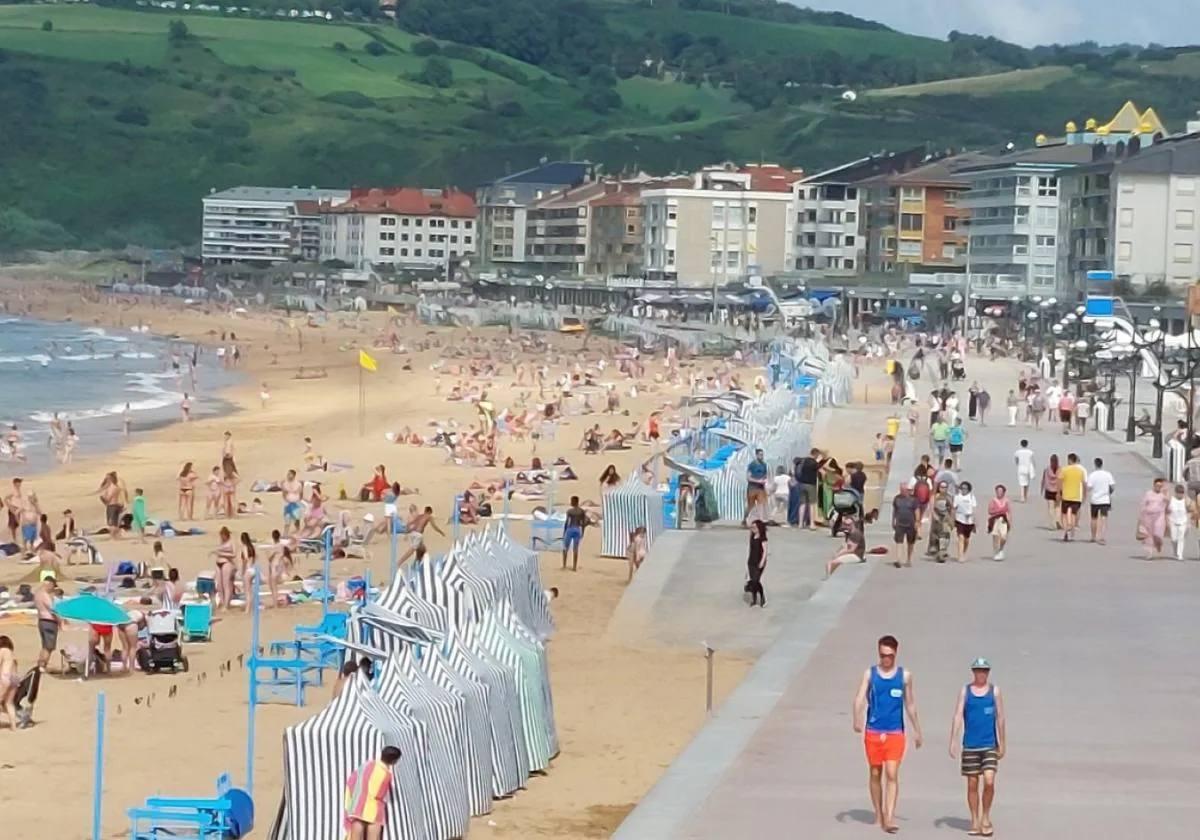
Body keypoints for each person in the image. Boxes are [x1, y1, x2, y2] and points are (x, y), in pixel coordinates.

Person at [852, 634, 923, 834]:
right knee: (875, 772)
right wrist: (856, 717)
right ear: (879, 653)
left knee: (892, 773)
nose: (886, 659)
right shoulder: (870, 674)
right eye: (883, 655)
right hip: (873, 731)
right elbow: (859, 697)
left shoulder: (904, 676)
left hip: (895, 732)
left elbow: (910, 704)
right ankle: (878, 813)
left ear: (895, 654)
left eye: (889, 656)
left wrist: (917, 729)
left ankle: (890, 816)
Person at [949, 658, 1006, 838]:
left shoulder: (994, 691)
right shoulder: (965, 692)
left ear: (988, 673)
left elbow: (1001, 718)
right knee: (972, 783)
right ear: (973, 672)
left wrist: (1002, 742)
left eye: (984, 671)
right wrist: (953, 740)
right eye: (978, 670)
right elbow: (958, 715)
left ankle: (986, 817)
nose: (981, 673)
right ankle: (974, 819)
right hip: (970, 745)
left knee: (989, 781)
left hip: (989, 744)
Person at [344, 746, 403, 840]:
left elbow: (351, 782)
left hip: (358, 808)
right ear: (394, 761)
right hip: (374, 811)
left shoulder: (366, 766)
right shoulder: (386, 775)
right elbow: (381, 794)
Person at [1137, 478, 1168, 560]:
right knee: (1148, 536)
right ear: (1154, 486)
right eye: (1157, 485)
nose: (1158, 487)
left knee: (1157, 534)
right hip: (1148, 516)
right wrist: (1141, 518)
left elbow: (1169, 506)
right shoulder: (1148, 494)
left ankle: (1159, 544)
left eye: (1160, 486)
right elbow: (1143, 505)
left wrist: (1166, 494)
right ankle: (1149, 553)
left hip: (1159, 516)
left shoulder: (1163, 495)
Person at [34, 573, 59, 672]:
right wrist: (61, 622)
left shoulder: (37, 594)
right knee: (49, 646)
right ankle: (42, 666)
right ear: (50, 584)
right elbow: (53, 609)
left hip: (41, 621)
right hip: (49, 621)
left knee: (45, 645)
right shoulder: (44, 595)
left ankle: (40, 664)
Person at [1085, 457, 1114, 544]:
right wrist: (1108, 492)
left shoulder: (1092, 475)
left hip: (1095, 500)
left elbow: (1089, 487)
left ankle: (1093, 536)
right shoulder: (1108, 474)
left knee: (1094, 518)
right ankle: (1102, 536)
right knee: (1104, 518)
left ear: (1095, 464)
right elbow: (1112, 486)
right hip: (1105, 499)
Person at [1059, 453, 1087, 542]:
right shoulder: (1080, 471)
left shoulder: (1064, 470)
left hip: (1066, 496)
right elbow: (1084, 484)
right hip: (1076, 497)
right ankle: (1072, 525)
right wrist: (1084, 495)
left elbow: (1059, 482)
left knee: (1064, 514)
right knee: (1073, 514)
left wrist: (1059, 493)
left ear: (1070, 460)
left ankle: (1066, 530)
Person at [891, 483, 919, 568]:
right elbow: (894, 510)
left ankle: (909, 559)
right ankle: (899, 559)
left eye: (904, 489)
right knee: (899, 541)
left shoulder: (913, 499)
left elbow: (917, 511)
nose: (902, 491)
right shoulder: (897, 498)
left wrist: (917, 522)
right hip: (900, 523)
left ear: (907, 490)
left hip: (911, 523)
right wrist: (893, 521)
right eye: (901, 489)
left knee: (910, 542)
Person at [793, 448, 820, 530]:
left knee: (802, 504)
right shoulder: (814, 462)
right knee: (812, 504)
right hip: (811, 485)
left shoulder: (802, 461)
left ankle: (800, 524)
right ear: (815, 454)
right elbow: (820, 470)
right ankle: (812, 523)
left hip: (801, 484)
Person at [210, 527, 237, 611]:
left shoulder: (232, 542)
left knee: (226, 584)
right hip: (218, 563)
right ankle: (221, 602)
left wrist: (221, 553)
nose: (222, 537)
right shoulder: (221, 542)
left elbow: (234, 554)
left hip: (227, 563)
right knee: (219, 585)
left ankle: (226, 604)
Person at [743, 448, 769, 526]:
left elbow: (765, 475)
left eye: (762, 455)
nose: (762, 456)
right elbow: (748, 477)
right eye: (760, 455)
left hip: (761, 488)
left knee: (761, 505)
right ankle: (745, 519)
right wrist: (758, 481)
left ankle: (760, 523)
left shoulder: (764, 465)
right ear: (756, 455)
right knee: (751, 506)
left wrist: (765, 482)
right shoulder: (752, 465)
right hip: (752, 488)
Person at [1168, 483, 1193, 561]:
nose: (1180, 495)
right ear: (1176, 492)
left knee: (1181, 539)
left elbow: (1190, 510)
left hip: (1183, 522)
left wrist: (1190, 522)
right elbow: (1167, 510)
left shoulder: (1185, 500)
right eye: (1179, 493)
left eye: (1182, 493)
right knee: (1174, 539)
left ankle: (1180, 555)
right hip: (1173, 522)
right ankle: (1175, 552)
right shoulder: (1171, 500)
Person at [745, 519, 768, 607]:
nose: (753, 529)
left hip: (759, 562)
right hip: (751, 562)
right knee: (753, 582)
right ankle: (754, 599)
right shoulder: (752, 537)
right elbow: (750, 550)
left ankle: (762, 598)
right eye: (752, 527)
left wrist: (762, 561)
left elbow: (765, 551)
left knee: (756, 581)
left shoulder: (763, 538)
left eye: (754, 527)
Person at [953, 481, 978, 562]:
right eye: (962, 488)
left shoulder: (971, 497)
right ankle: (960, 555)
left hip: (969, 521)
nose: (963, 490)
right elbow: (954, 508)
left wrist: (975, 521)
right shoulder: (957, 497)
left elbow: (974, 509)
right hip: (960, 519)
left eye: (965, 489)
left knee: (966, 539)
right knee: (961, 537)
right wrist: (952, 519)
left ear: (968, 489)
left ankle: (963, 552)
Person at [562, 495, 587, 572]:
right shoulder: (582, 511)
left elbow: (567, 522)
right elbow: (583, 523)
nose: (571, 502)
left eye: (572, 501)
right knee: (575, 549)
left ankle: (564, 565)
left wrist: (564, 531)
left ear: (574, 502)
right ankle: (574, 567)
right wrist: (582, 531)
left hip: (570, 529)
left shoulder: (570, 511)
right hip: (577, 529)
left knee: (565, 547)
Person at [987, 485, 1012, 561]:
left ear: (1004, 492)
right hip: (995, 520)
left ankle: (1001, 549)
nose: (999, 493)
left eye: (1001, 491)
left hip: (1003, 520)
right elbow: (990, 511)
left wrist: (1010, 522)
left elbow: (1009, 512)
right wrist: (999, 512)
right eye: (997, 491)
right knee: (995, 537)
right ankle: (996, 553)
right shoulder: (993, 500)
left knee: (1003, 537)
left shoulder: (1007, 501)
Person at [0, 635, 18, 730]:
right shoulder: (12, 654)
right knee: (9, 703)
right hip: (14, 679)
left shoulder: (2, 651)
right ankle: (13, 726)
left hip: (5, 677)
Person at [1040, 454, 1062, 530]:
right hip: (1058, 490)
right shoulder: (1060, 469)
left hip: (1049, 490)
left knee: (1050, 508)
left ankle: (1053, 524)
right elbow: (1062, 480)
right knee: (1058, 507)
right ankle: (1058, 520)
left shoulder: (1047, 469)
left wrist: (1042, 489)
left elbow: (1043, 480)